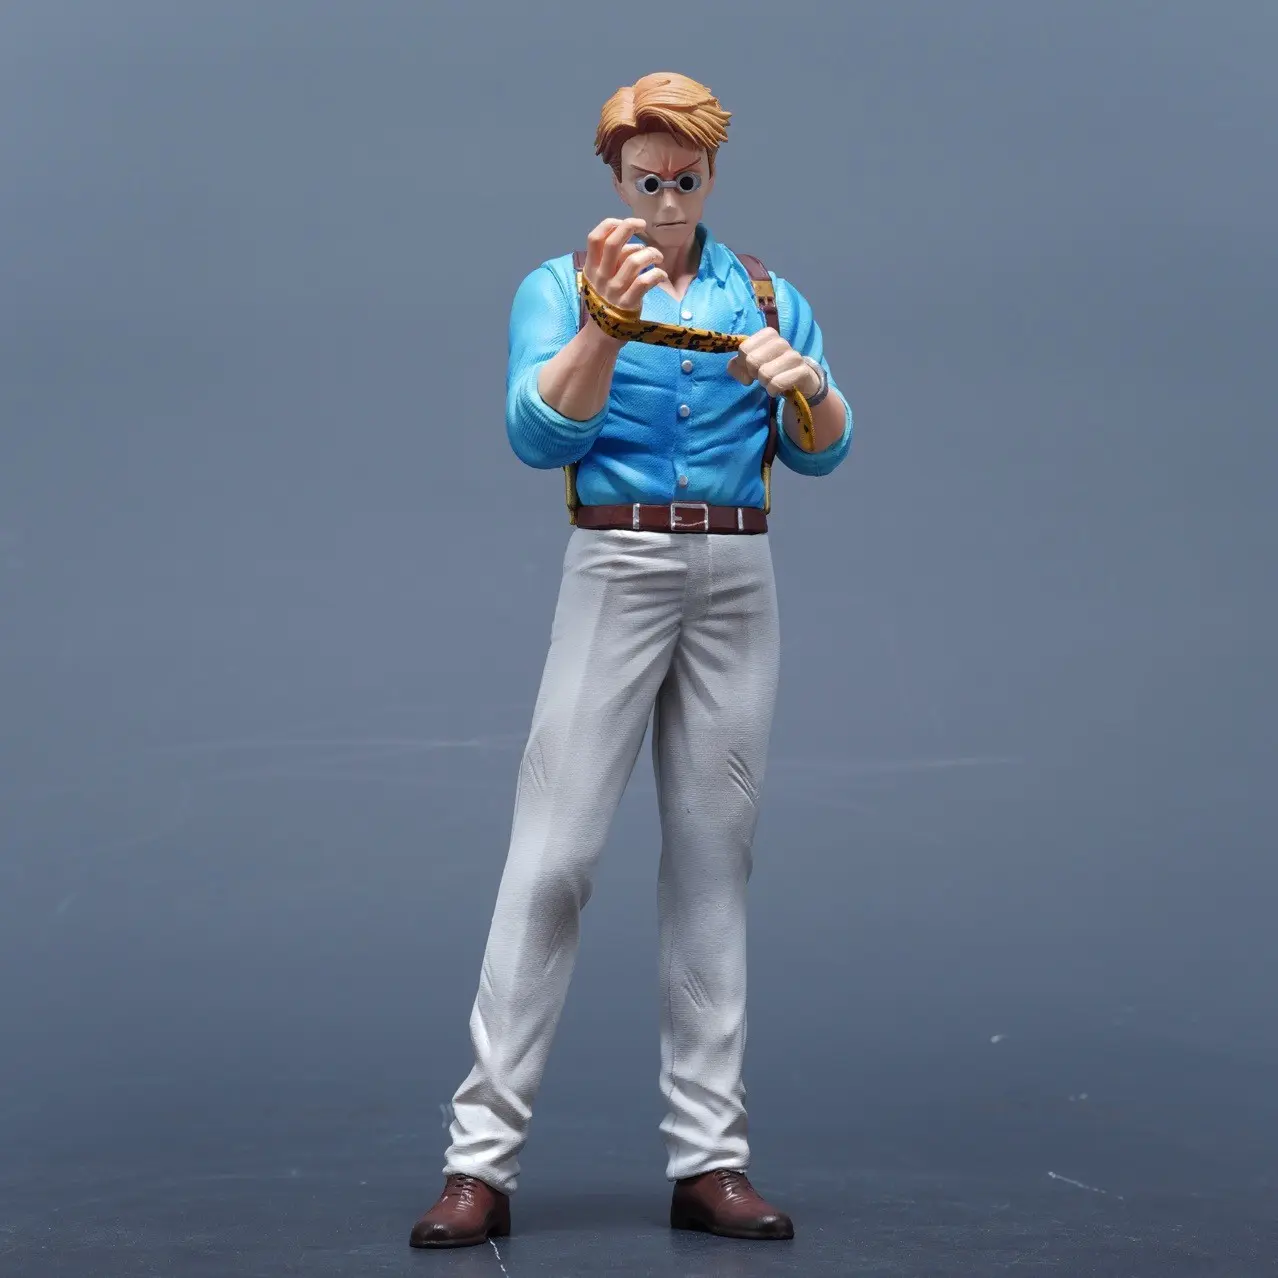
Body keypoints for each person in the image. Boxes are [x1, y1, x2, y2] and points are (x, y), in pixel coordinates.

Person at [409, 71, 852, 1248]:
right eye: (646, 179)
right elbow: (536, 429)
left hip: (737, 569)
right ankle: (479, 1161)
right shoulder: (561, 287)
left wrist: (808, 387)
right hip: (617, 563)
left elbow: (824, 450)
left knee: (714, 863)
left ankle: (711, 1160)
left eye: (684, 179)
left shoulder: (767, 292)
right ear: (614, 175)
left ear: (712, 175)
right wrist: (606, 324)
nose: (665, 199)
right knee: (552, 857)